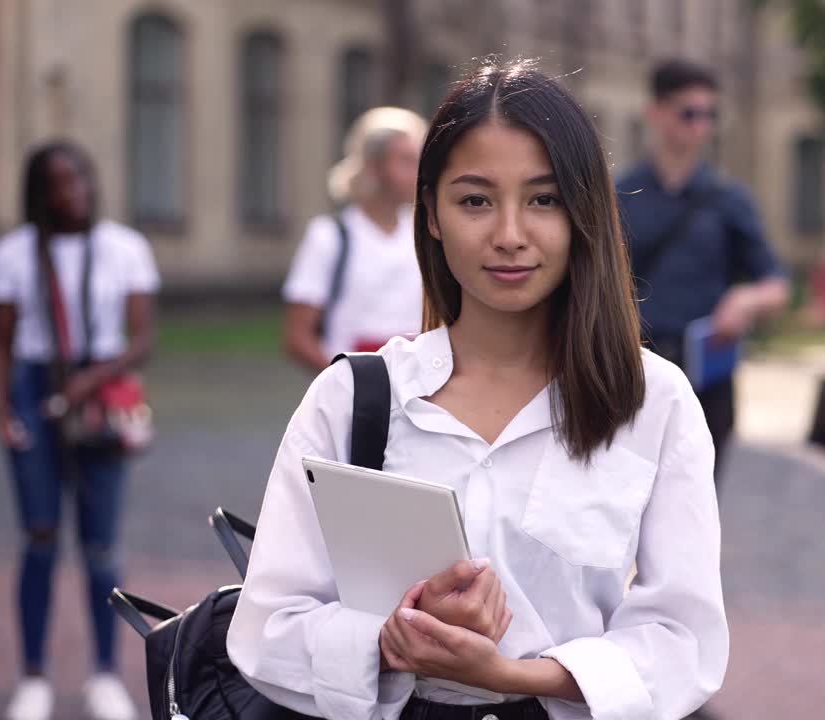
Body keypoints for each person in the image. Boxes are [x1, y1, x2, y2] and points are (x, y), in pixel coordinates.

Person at [228, 59, 728, 720]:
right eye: (475, 200)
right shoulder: (354, 399)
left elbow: (684, 639)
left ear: (583, 211)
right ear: (430, 212)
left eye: (543, 199)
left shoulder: (651, 402)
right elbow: (267, 627)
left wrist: (520, 674)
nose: (510, 235)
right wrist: (392, 638)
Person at [0, 141, 159, 720]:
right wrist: (1, 409)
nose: (72, 191)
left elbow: (141, 340)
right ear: (38, 191)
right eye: (57, 182)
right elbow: (2, 341)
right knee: (39, 539)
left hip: (100, 387)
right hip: (35, 391)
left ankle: (105, 676)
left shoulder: (124, 248)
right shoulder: (13, 253)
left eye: (79, 178)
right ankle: (32, 676)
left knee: (101, 545)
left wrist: (85, 386)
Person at [617, 59, 789, 484]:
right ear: (655, 112)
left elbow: (776, 283)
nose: (701, 126)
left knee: (696, 511)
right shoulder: (619, 193)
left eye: (710, 115)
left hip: (707, 378)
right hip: (633, 372)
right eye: (688, 113)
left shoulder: (729, 198)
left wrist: (746, 299)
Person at [282, 107, 428, 371]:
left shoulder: (426, 234)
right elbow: (297, 337)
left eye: (420, 160)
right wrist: (346, 383)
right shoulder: (331, 237)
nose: (418, 172)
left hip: (417, 389)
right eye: (406, 161)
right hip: (353, 387)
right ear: (374, 166)